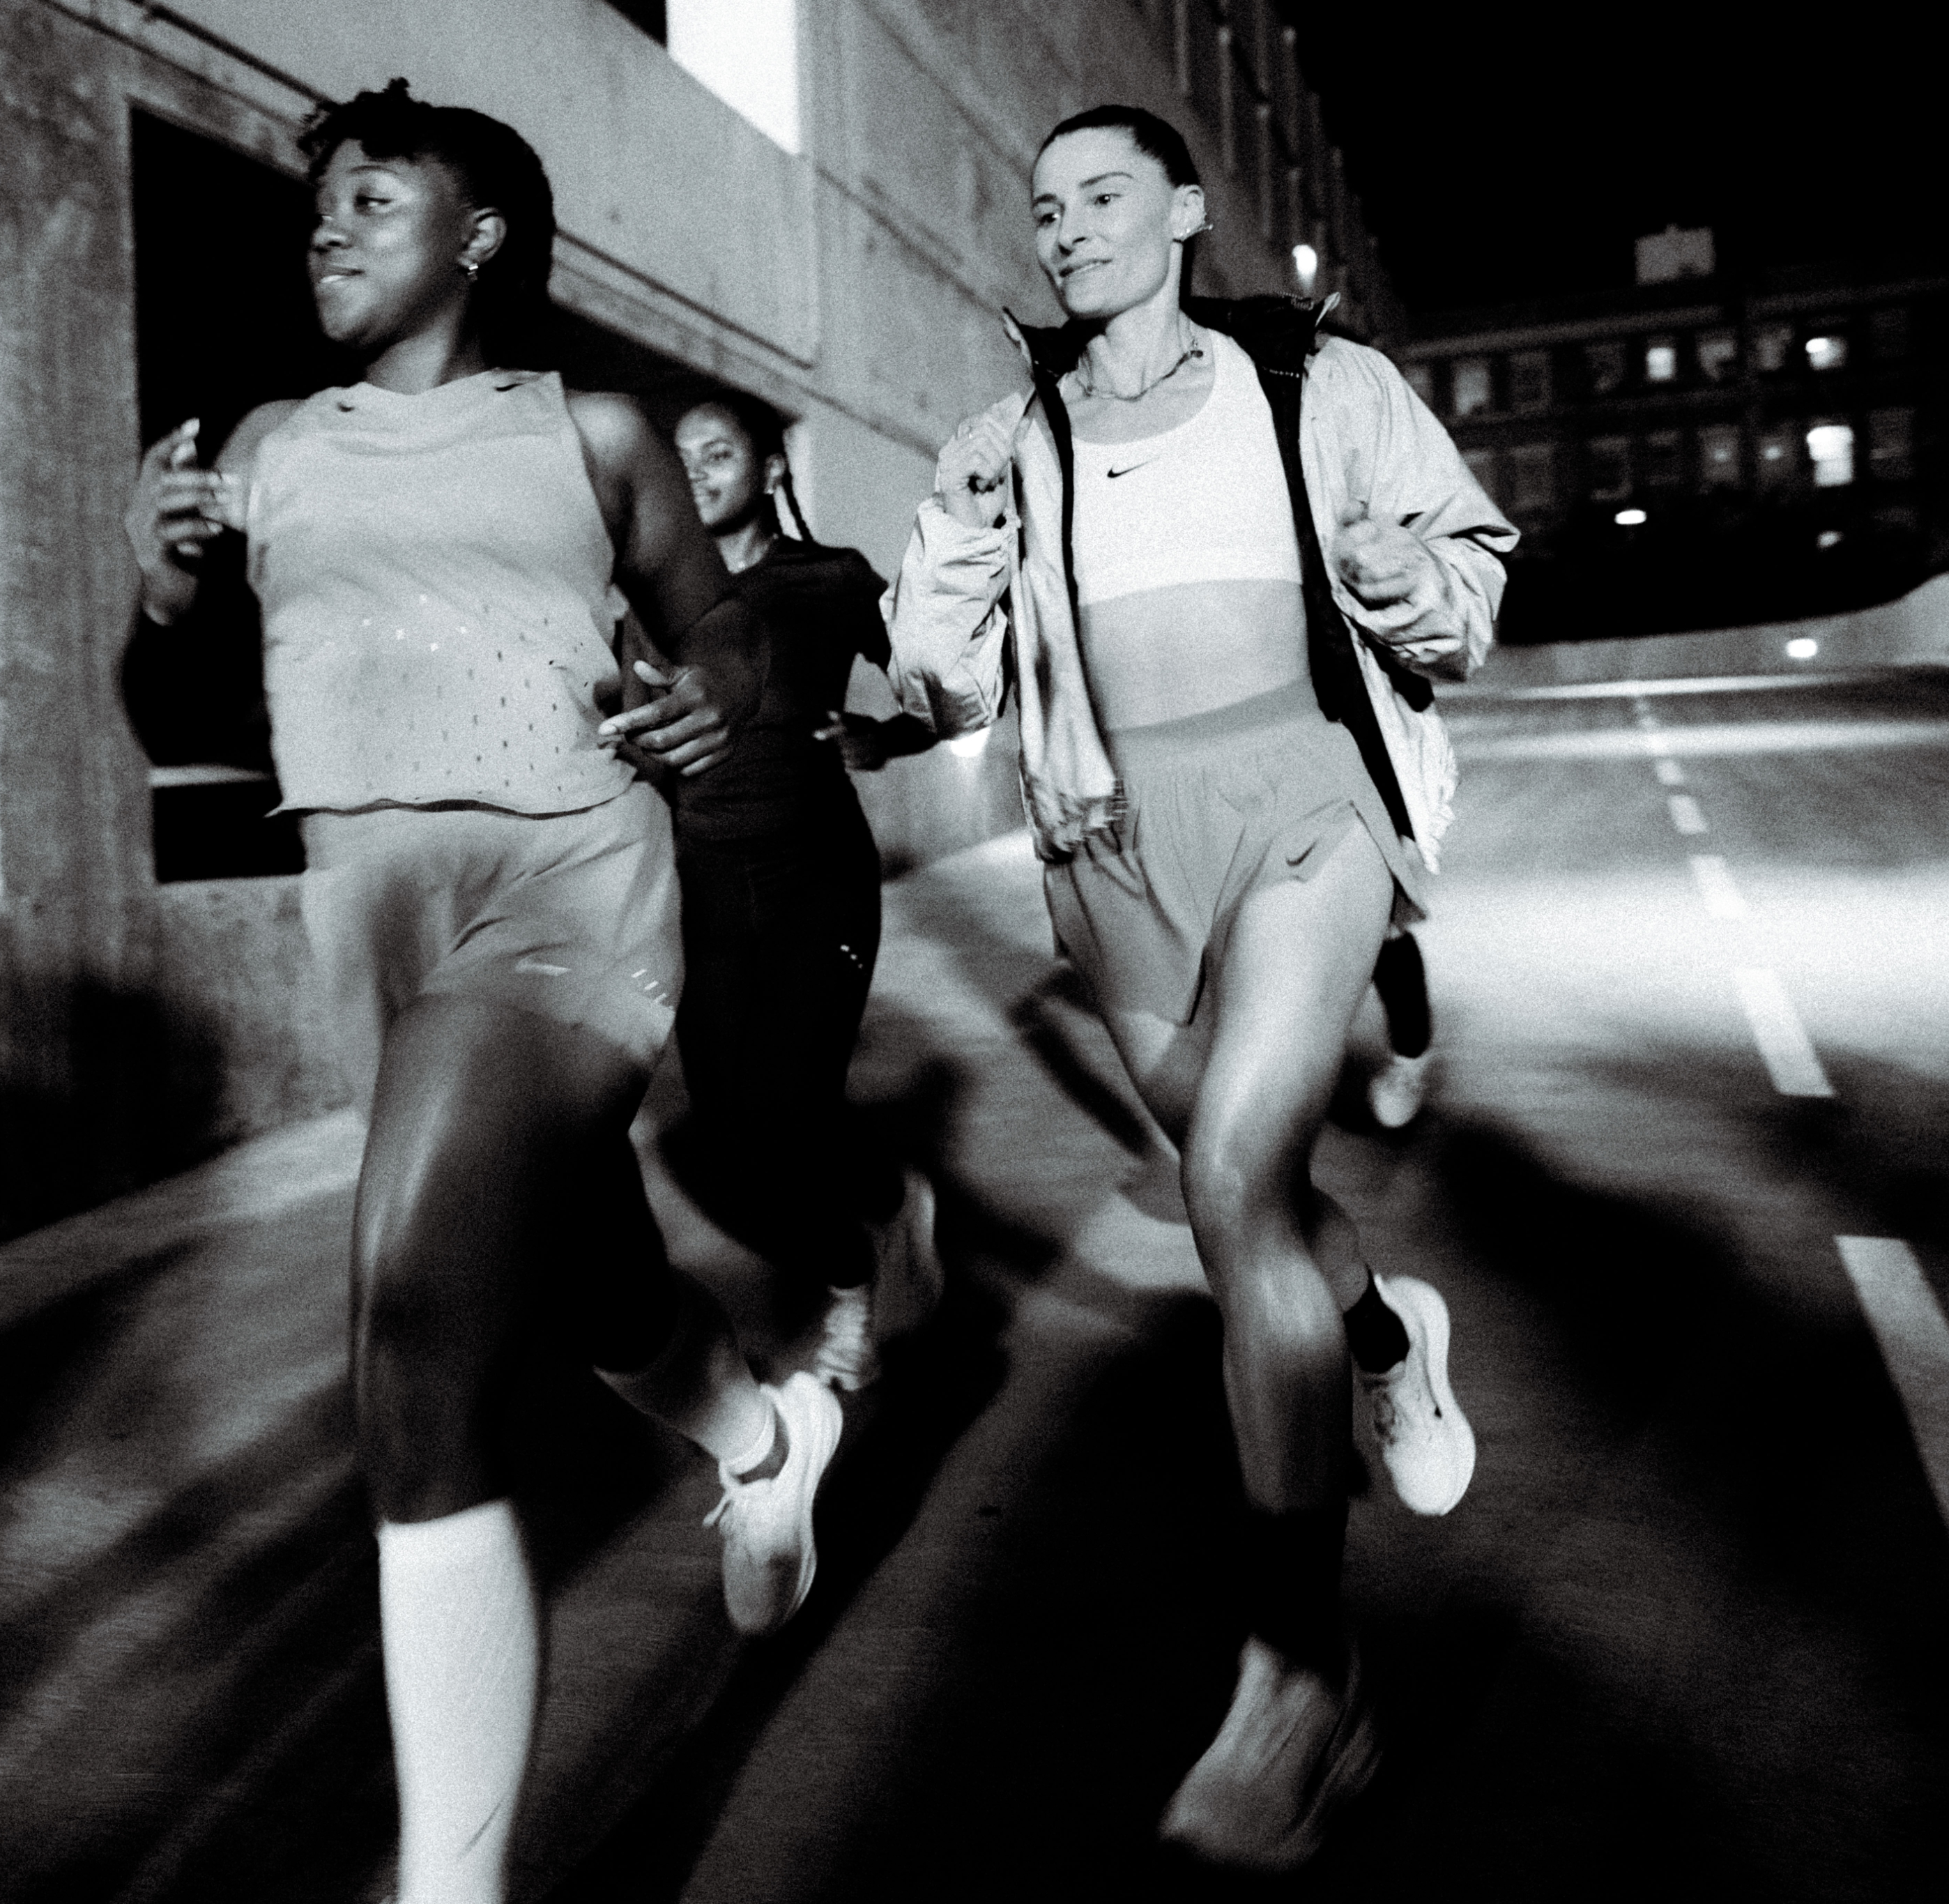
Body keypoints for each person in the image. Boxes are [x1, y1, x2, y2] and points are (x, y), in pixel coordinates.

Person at [123, 81, 839, 1904]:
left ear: (481, 235)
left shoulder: (586, 427)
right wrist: (157, 585)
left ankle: (454, 1884)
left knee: (416, 1337)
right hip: (376, 925)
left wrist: (720, 691)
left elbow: (724, 629)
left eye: (378, 197)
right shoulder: (266, 445)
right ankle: (769, 1435)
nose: (331, 225)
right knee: (598, 1287)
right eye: (321, 207)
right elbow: (175, 716)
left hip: (563, 885)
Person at [881, 104, 1513, 1871]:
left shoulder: (1315, 388)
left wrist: (1407, 586)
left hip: (1297, 803)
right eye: (1043, 208)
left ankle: (1305, 1683)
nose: (1066, 228)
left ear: (1182, 208)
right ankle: (1383, 1327)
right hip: (1105, 850)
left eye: (1100, 196)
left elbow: (1466, 583)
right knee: (1242, 1194)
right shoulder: (1013, 437)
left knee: (1230, 1177)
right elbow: (938, 689)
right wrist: (952, 547)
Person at [659, 391, 940, 1392]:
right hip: (703, 883)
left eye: (718, 451)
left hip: (817, 873)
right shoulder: (666, 596)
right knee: (734, 1131)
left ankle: (852, 1275)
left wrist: (888, 736)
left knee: (785, 1111)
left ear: (773, 468)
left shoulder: (829, 579)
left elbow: (939, 681)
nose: (694, 471)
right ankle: (893, 1194)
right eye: (680, 456)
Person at [1367, 923, 1434, 1128]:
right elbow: (1404, 989)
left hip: (1392, 946)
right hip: (1393, 946)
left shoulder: (1411, 1050)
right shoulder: (1411, 1046)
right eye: (1402, 1088)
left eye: (1390, 1085)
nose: (1396, 1080)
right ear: (1416, 1089)